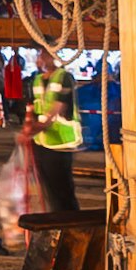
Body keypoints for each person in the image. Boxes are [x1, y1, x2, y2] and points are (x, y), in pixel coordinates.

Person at [24, 56, 83, 215]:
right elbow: (33, 107)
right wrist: (29, 125)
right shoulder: (36, 80)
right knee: (50, 192)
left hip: (61, 144)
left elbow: (56, 109)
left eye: (42, 54)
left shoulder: (64, 77)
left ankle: (71, 228)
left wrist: (33, 130)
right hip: (42, 143)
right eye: (37, 54)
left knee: (63, 192)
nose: (39, 59)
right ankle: (57, 227)